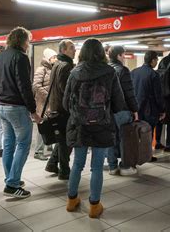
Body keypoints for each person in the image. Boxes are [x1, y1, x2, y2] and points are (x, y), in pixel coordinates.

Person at [64, 38, 124, 218]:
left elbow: (66, 102)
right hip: (102, 125)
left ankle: (71, 200)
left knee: (77, 164)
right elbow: (119, 102)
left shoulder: (74, 72)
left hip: (79, 125)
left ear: (82, 53)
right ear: (101, 53)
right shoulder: (109, 72)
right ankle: (94, 206)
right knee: (97, 167)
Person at [0, 27, 42, 198]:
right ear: (21, 40)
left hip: (3, 107)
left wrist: (1, 96)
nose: (29, 44)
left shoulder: (0, 57)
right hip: (17, 108)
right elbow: (24, 86)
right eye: (28, 40)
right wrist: (33, 110)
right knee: (23, 144)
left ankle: (10, 178)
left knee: (8, 144)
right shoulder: (20, 57)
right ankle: (13, 184)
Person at [45, 40, 76, 180]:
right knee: (66, 141)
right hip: (64, 109)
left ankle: (52, 163)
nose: (74, 50)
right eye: (71, 48)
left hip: (56, 106)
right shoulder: (66, 66)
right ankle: (64, 171)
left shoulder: (56, 64)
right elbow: (67, 90)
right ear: (63, 50)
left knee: (62, 139)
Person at [106, 46, 139, 176]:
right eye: (123, 55)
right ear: (119, 56)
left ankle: (112, 167)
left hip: (108, 110)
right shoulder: (123, 70)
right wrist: (135, 109)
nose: (124, 58)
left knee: (111, 139)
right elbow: (129, 93)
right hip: (122, 110)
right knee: (125, 139)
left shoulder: (106, 70)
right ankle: (125, 167)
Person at [131, 50, 166, 151]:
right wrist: (162, 110)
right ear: (153, 60)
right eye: (156, 60)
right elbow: (158, 95)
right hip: (150, 109)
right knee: (148, 132)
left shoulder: (134, 72)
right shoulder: (154, 75)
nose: (156, 62)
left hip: (136, 108)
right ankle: (146, 155)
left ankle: (136, 153)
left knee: (137, 132)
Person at [33, 48, 57, 161]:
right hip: (43, 103)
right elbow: (36, 85)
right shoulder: (41, 69)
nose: (55, 59)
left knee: (51, 124)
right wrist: (48, 95)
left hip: (51, 103)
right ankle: (38, 151)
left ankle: (50, 146)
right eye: (53, 57)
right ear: (48, 58)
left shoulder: (53, 69)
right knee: (42, 126)